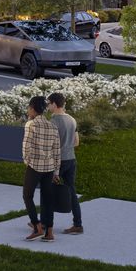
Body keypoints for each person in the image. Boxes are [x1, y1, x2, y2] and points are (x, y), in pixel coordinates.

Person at [20, 96, 60, 242]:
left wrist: (27, 162)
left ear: (32, 108)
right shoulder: (52, 126)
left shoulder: (31, 124)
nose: (27, 111)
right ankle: (49, 233)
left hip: (35, 166)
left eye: (28, 108)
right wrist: (56, 171)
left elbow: (26, 146)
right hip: (49, 168)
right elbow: (57, 151)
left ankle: (37, 226)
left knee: (27, 195)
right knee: (48, 199)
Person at [47, 91, 83, 236]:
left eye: (49, 104)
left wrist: (54, 170)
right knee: (72, 192)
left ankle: (44, 224)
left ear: (55, 104)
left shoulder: (53, 122)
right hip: (71, 160)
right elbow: (76, 142)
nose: (48, 107)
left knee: (47, 192)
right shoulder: (72, 120)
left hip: (58, 161)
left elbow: (50, 145)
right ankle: (78, 224)